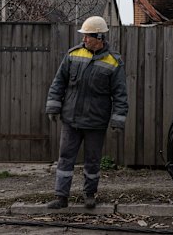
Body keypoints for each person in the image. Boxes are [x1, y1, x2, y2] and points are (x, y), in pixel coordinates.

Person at [45, 16, 128, 209]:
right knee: (65, 158)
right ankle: (61, 197)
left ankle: (89, 194)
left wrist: (118, 120)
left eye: (87, 37)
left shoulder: (114, 62)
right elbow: (59, 83)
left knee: (92, 160)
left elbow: (120, 93)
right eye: (83, 37)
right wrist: (53, 106)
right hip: (71, 119)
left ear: (99, 37)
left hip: (95, 121)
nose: (84, 40)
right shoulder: (73, 55)